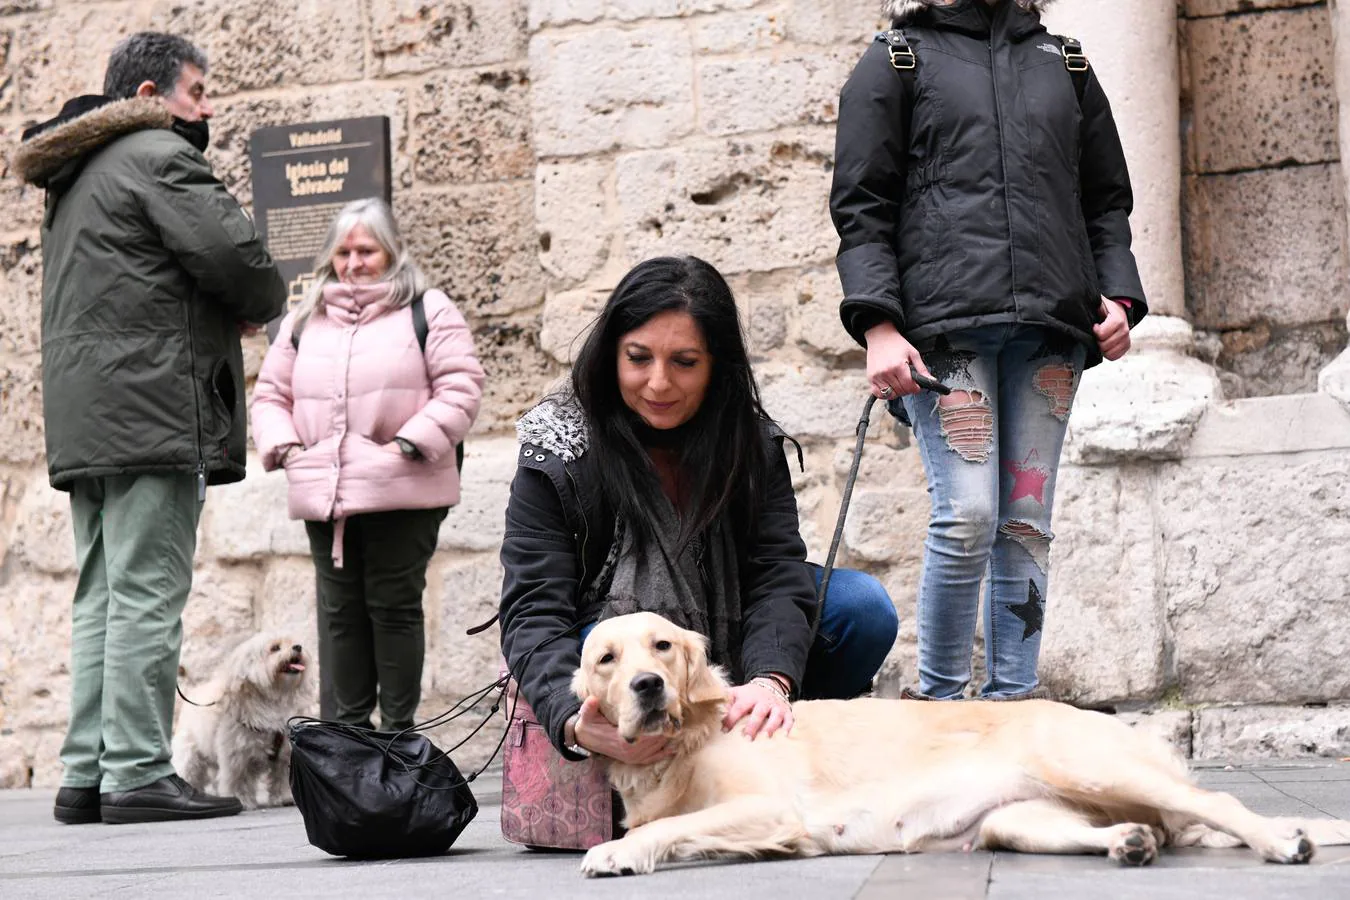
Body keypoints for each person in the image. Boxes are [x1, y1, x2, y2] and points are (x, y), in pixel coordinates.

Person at [829, 0, 1148, 700]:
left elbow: (1106, 201)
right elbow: (862, 205)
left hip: (1051, 334)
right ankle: (938, 708)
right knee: (968, 513)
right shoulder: (895, 59)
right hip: (945, 334)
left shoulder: (1064, 63)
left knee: (1025, 521)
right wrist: (878, 324)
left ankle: (1015, 702)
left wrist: (1120, 299)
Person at [12, 32, 287, 824]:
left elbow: (140, 284)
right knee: (145, 593)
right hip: (152, 410)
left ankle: (87, 772)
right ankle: (135, 772)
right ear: (145, 98)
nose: (206, 107)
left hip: (93, 416)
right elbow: (239, 261)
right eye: (195, 92)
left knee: (102, 593)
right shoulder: (155, 155)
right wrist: (251, 302)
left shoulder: (76, 176)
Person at [499, 255, 899, 766]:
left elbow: (776, 574)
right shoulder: (559, 449)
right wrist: (574, 722)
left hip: (724, 652)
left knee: (860, 609)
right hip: (613, 653)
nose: (659, 384)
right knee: (596, 654)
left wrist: (770, 682)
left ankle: (764, 737)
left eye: (684, 362)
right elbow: (534, 608)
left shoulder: (747, 443)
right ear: (610, 356)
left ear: (716, 366)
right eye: (638, 358)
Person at [252, 197, 484, 735]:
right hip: (325, 492)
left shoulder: (430, 310)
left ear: (391, 252)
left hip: (400, 489)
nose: (354, 262)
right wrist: (288, 448)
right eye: (344, 251)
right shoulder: (304, 321)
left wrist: (405, 445)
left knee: (393, 607)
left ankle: (397, 734)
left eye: (367, 250)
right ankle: (350, 736)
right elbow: (270, 395)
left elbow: (461, 385)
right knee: (339, 616)